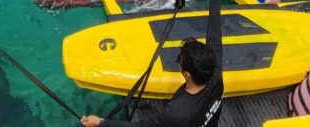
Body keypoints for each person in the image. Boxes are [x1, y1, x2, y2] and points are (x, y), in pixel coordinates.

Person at [81, 35, 221, 127]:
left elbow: (141, 126)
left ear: (187, 74)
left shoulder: (176, 112)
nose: (178, 62)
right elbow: (215, 35)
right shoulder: (215, 75)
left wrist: (101, 122)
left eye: (179, 60)